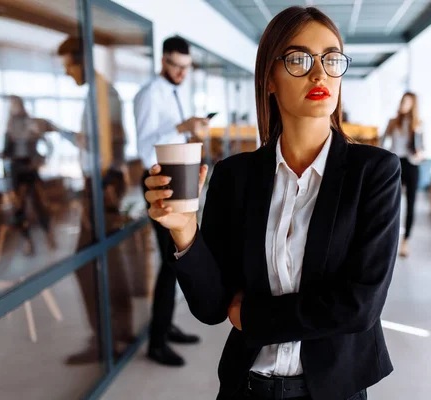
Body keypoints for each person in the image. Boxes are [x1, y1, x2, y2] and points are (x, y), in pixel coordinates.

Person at [145, 6, 401, 400]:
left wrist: (252, 316)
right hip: (247, 388)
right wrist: (184, 231)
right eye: (299, 59)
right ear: (269, 78)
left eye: (331, 59)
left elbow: (359, 306)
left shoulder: (375, 172)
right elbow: (212, 307)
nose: (319, 74)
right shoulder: (234, 175)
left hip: (333, 391)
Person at [57, 36, 134, 364]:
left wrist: (103, 190)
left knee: (88, 264)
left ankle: (107, 339)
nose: (67, 73)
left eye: (69, 66)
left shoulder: (103, 94)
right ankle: (118, 332)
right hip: (102, 186)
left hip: (101, 187)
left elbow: (113, 141)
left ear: (82, 61)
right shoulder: (100, 92)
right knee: (107, 261)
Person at [134, 36, 206, 367]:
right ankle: (157, 342)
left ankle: (167, 326)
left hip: (175, 178)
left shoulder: (175, 91)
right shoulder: (149, 94)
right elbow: (146, 150)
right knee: (168, 263)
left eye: (186, 68)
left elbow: (171, 139)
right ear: (163, 61)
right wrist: (182, 125)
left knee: (176, 256)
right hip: (157, 181)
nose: (181, 73)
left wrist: (191, 132)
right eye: (176, 66)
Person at [2, 95, 56, 254]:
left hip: (30, 170)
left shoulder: (31, 123)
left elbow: (47, 144)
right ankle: (27, 240)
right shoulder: (10, 127)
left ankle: (48, 236)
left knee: (38, 204)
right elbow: (7, 151)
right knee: (19, 208)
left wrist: (40, 159)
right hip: (16, 171)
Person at [383, 92, 424, 258]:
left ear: (413, 104)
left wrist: (419, 150)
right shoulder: (393, 122)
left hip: (412, 164)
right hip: (395, 163)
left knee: (411, 203)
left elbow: (422, 151)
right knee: (392, 203)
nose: (403, 104)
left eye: (407, 102)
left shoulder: (418, 124)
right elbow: (382, 142)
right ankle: (389, 239)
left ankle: (406, 241)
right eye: (403, 101)